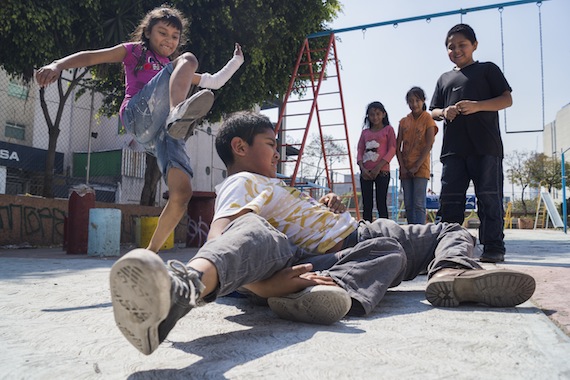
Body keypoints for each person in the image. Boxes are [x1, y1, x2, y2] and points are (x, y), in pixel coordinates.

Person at [109, 111, 536, 356]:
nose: (277, 151)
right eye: (270, 143)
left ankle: (451, 274)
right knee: (379, 251)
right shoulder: (241, 184)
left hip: (359, 232)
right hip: (330, 257)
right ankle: (179, 291)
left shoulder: (272, 184)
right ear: (240, 148)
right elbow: (225, 236)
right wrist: (267, 285)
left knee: (448, 228)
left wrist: (322, 208)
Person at [36, 6, 244, 253]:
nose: (168, 40)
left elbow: (214, 81)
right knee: (188, 60)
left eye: (174, 36)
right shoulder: (134, 52)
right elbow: (91, 57)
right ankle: (178, 113)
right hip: (137, 115)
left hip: (162, 133)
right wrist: (57, 65)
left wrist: (236, 61)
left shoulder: (175, 69)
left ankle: (150, 253)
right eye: (162, 33)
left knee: (182, 193)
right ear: (147, 32)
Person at [429, 23, 512, 263]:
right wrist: (445, 111)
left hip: (486, 148)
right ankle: (444, 250)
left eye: (462, 45)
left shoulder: (487, 70)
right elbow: (432, 111)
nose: (456, 50)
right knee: (450, 202)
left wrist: (477, 106)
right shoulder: (444, 79)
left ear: (474, 45)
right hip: (453, 151)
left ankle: (493, 247)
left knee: (489, 198)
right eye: (450, 47)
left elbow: (506, 100)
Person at [396, 87, 438, 224]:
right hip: (406, 168)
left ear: (423, 100)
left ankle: (420, 233)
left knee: (419, 204)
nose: (414, 104)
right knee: (408, 204)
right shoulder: (403, 122)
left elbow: (429, 144)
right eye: (411, 101)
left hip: (421, 167)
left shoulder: (428, 119)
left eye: (417, 100)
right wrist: (402, 166)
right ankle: (411, 233)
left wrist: (417, 166)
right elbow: (398, 146)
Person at [356, 102, 396, 221]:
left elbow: (392, 149)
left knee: (381, 202)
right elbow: (360, 150)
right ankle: (366, 230)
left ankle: (385, 231)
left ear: (383, 114)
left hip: (382, 171)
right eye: (372, 114)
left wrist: (378, 167)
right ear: (368, 116)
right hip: (366, 172)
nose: (375, 117)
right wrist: (362, 168)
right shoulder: (365, 132)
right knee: (367, 204)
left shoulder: (388, 130)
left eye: (378, 114)